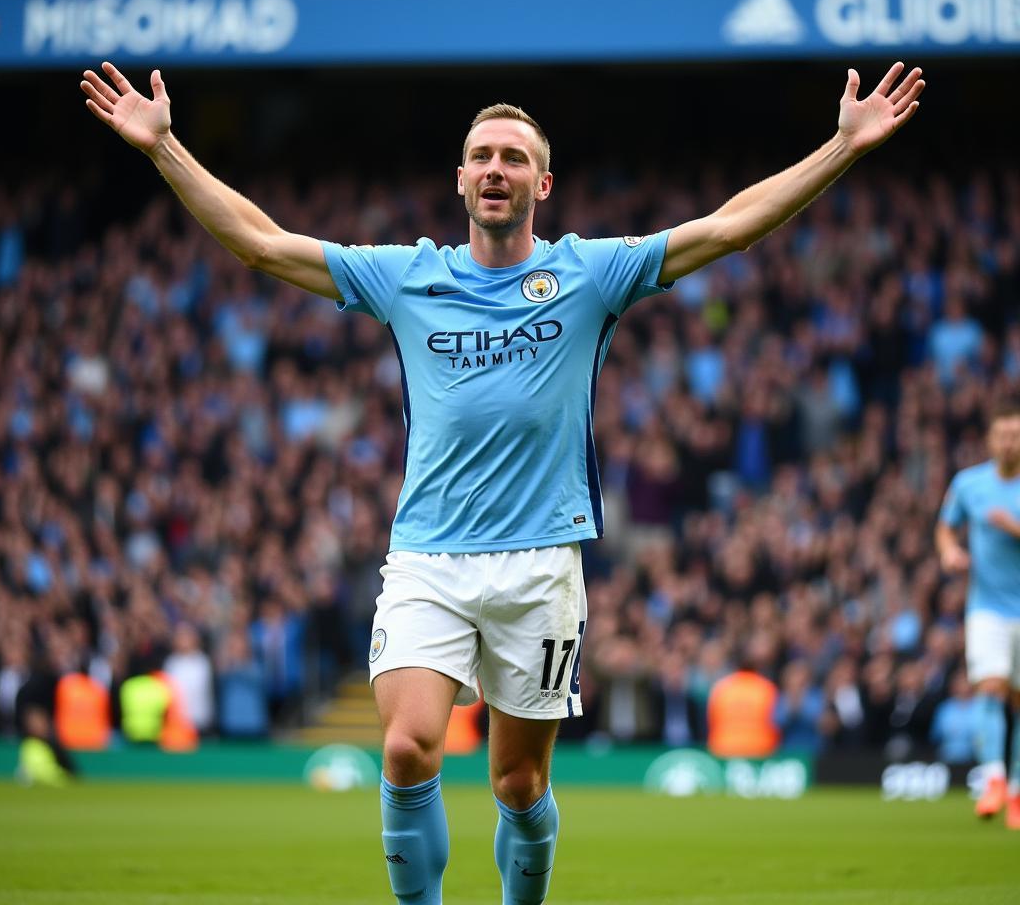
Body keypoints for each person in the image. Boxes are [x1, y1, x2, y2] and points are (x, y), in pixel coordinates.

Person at [80, 58, 923, 903]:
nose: (496, 168)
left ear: (542, 183)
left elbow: (728, 227)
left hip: (540, 565)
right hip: (428, 560)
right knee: (409, 748)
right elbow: (264, 245)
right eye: (482, 155)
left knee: (517, 785)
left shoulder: (591, 274)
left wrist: (841, 148)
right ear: (459, 178)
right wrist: (165, 149)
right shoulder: (407, 276)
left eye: (514, 158)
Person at [937, 400, 1020, 829]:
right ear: (990, 440)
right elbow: (945, 525)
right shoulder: (970, 484)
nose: (1010, 442)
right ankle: (993, 780)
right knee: (990, 688)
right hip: (986, 607)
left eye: (1016, 435)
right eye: (1003, 435)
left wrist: (1013, 529)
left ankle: (1018, 794)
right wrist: (950, 550)